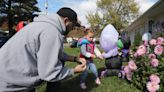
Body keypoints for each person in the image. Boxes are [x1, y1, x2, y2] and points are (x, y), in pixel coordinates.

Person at [0, 7, 87, 92]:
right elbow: (49, 73)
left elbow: (53, 53)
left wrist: (75, 58)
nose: (72, 28)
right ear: (66, 21)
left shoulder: (42, 25)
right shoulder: (52, 32)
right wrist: (73, 70)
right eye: (73, 25)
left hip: (8, 76)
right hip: (11, 84)